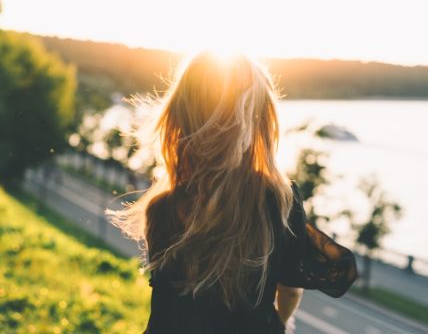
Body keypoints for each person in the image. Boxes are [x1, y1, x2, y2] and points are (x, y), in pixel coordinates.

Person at [107, 51, 357, 333]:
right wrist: (281, 322)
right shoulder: (277, 201)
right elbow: (290, 290)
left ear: (180, 116)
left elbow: (172, 304)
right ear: (260, 122)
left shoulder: (161, 207)